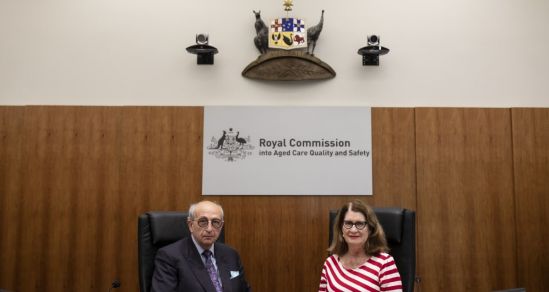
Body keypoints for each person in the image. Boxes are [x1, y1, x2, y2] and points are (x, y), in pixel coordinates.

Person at [151, 200, 251, 292]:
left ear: (221, 226)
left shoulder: (231, 254)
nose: (209, 229)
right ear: (191, 225)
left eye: (215, 222)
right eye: (203, 222)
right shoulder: (169, 257)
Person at [318, 200, 402, 292]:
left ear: (370, 229)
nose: (353, 230)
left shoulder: (384, 263)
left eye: (360, 224)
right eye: (348, 223)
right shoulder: (330, 263)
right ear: (341, 228)